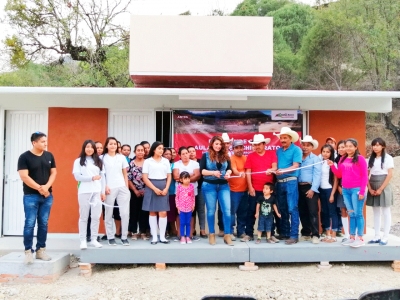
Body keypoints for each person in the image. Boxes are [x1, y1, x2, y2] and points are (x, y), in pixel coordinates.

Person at [18, 132, 57, 264]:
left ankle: (41, 250)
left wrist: (46, 187)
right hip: (31, 196)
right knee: (29, 224)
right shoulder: (24, 157)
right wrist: (41, 188)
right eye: (42, 141)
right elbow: (24, 176)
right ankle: (28, 252)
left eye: (46, 141)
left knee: (43, 223)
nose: (45, 144)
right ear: (34, 143)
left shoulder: (49, 155)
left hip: (47, 196)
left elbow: (54, 173)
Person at [328, 138, 368, 248]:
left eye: (351, 146)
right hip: (346, 190)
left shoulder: (360, 159)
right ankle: (352, 237)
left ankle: (360, 238)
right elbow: (339, 175)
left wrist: (362, 191)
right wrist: (332, 165)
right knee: (351, 214)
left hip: (357, 190)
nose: (348, 148)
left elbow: (365, 176)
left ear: (355, 147)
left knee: (358, 214)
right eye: (346, 146)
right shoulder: (342, 159)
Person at [241, 134, 278, 242]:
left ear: (264, 144)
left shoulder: (271, 154)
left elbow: (275, 167)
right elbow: (248, 172)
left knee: (270, 212)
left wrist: (271, 169)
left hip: (268, 191)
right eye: (255, 145)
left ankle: (270, 234)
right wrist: (250, 187)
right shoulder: (251, 156)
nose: (257, 147)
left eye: (259, 144)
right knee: (251, 211)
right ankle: (249, 234)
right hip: (255, 189)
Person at [200, 136, 233, 246]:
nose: (218, 146)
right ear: (212, 144)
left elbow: (229, 168)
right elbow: (202, 171)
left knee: (227, 211)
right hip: (209, 186)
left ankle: (227, 235)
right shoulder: (205, 155)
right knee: (211, 211)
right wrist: (213, 173)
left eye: (220, 144)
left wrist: (228, 173)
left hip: (224, 186)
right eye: (216, 144)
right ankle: (212, 235)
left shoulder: (226, 156)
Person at [72, 140, 105, 249]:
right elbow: (77, 177)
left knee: (95, 216)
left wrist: (103, 192)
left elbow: (103, 177)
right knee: (84, 216)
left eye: (91, 147)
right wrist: (91, 178)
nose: (89, 149)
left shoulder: (99, 161)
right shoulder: (78, 161)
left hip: (96, 191)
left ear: (94, 149)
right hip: (84, 191)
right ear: (84, 148)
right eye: (87, 147)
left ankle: (94, 239)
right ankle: (83, 240)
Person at [273, 127, 302, 245]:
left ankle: (294, 235)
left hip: (291, 181)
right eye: (281, 138)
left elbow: (296, 166)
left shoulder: (297, 150)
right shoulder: (278, 151)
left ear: (291, 139)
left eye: (285, 138)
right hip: (279, 183)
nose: (283, 140)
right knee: (282, 208)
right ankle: (285, 233)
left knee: (292, 208)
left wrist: (283, 171)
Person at [101, 137, 130, 246]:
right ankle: (110, 236)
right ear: (107, 145)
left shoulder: (121, 157)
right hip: (109, 188)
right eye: (110, 144)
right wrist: (104, 187)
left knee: (125, 213)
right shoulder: (102, 158)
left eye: (114, 144)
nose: (113, 146)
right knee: (108, 213)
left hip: (122, 187)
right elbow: (101, 174)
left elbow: (125, 174)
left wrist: (126, 188)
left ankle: (124, 236)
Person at [142, 141, 172, 245]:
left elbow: (169, 176)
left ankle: (162, 236)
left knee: (163, 212)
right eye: (159, 148)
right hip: (151, 186)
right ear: (154, 149)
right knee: (152, 212)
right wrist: (154, 189)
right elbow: (145, 177)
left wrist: (166, 188)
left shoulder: (166, 161)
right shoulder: (148, 161)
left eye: (162, 148)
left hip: (163, 186)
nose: (161, 150)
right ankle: (154, 236)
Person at [367, 138, 394, 246]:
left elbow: (390, 174)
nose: (375, 147)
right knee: (376, 212)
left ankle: (385, 236)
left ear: (383, 146)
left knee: (386, 211)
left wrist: (381, 188)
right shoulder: (370, 159)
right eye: (374, 145)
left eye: (378, 145)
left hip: (384, 184)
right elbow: (366, 174)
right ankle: (376, 235)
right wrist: (369, 188)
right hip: (372, 182)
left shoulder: (388, 158)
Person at [173, 147, 201, 241]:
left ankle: (190, 234)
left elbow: (197, 175)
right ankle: (180, 234)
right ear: (179, 155)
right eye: (183, 154)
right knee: (179, 213)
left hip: (192, 192)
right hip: (180, 193)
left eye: (187, 153)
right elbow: (176, 176)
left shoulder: (195, 163)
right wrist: (189, 177)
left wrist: (184, 179)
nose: (185, 155)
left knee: (191, 213)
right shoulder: (177, 164)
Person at [298, 135, 322, 244]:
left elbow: (317, 175)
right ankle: (306, 233)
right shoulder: (298, 157)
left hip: (310, 187)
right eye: (303, 145)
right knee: (302, 211)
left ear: (312, 147)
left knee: (312, 211)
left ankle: (315, 234)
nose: (305, 147)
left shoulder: (315, 159)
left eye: (308, 145)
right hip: (298, 187)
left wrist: (313, 189)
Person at [228, 139, 248, 241]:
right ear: (233, 149)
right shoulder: (231, 158)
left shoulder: (245, 158)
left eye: (241, 147)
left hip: (245, 190)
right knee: (232, 212)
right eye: (237, 148)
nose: (239, 149)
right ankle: (230, 232)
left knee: (242, 212)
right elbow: (234, 169)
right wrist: (239, 173)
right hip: (234, 191)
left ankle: (241, 232)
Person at [128, 144, 148, 240]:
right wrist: (135, 190)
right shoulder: (131, 164)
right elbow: (128, 179)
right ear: (135, 152)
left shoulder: (148, 163)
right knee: (133, 212)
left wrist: (145, 190)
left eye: (142, 150)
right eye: (138, 150)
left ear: (144, 152)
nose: (140, 152)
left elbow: (151, 178)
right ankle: (134, 232)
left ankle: (143, 232)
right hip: (133, 191)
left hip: (147, 191)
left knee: (144, 212)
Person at [319, 144, 338, 243]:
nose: (325, 154)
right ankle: (327, 235)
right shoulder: (320, 162)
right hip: (321, 190)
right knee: (325, 212)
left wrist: (332, 194)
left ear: (331, 153)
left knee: (332, 212)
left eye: (328, 152)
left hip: (329, 190)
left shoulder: (333, 164)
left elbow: (335, 181)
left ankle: (334, 236)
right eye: (323, 152)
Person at [188, 145, 207, 238]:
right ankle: (193, 229)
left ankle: (202, 230)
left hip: (200, 188)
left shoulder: (200, 162)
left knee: (201, 209)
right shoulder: (186, 163)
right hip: (189, 190)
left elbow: (201, 174)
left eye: (193, 151)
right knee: (192, 210)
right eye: (189, 151)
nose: (191, 153)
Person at [335, 140, 350, 242]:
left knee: (353, 211)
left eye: (343, 147)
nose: (341, 149)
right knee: (343, 210)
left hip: (351, 188)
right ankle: (347, 235)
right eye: (339, 147)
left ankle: (356, 234)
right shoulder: (337, 160)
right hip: (341, 188)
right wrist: (338, 187)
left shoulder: (353, 159)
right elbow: (337, 176)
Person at [175, 171, 196, 244]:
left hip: (189, 208)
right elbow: (176, 197)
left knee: (188, 223)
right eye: (185, 178)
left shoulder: (191, 187)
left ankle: (188, 236)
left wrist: (193, 205)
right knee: (182, 223)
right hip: (181, 208)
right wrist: (178, 207)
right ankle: (182, 237)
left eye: (188, 178)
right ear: (181, 180)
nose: (187, 180)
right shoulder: (179, 187)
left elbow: (193, 196)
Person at [163, 148, 178, 237]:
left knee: (172, 211)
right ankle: (164, 231)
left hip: (172, 191)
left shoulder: (174, 165)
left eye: (169, 154)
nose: (168, 155)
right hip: (162, 191)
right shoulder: (160, 164)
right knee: (163, 212)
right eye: (166, 154)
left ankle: (172, 230)